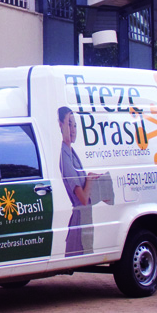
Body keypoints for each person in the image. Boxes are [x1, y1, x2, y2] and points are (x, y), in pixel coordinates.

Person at [58, 106, 94, 256]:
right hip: (79, 225)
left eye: (75, 125)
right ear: (60, 125)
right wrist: (90, 180)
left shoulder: (72, 153)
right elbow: (83, 199)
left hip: (85, 221)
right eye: (69, 124)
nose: (73, 129)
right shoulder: (65, 157)